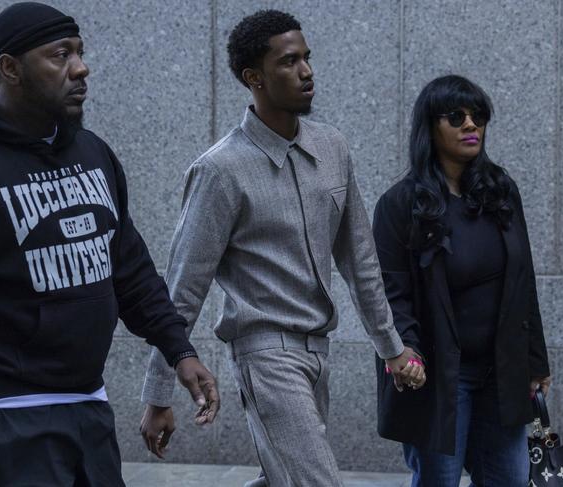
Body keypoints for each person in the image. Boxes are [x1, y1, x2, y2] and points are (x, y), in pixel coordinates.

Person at [0, 2, 219, 486]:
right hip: (3, 416)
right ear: (10, 69)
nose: (81, 67)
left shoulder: (93, 153)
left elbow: (130, 272)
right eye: (60, 55)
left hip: (88, 411)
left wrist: (179, 351)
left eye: (79, 52)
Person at [139, 9, 424, 487]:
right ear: (254, 78)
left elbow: (360, 261)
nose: (307, 71)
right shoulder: (220, 170)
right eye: (290, 62)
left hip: (319, 351)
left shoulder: (333, 147)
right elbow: (183, 287)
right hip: (265, 354)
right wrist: (158, 391)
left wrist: (390, 347)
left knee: (285, 478)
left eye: (307, 58)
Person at [372, 74, 551, 487]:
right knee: (440, 480)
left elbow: (523, 283)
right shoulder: (401, 204)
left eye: (479, 115)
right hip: (438, 378)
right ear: (431, 127)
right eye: (456, 116)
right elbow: (389, 292)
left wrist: (535, 360)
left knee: (510, 479)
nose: (471, 125)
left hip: (501, 371)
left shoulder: (500, 191)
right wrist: (405, 350)